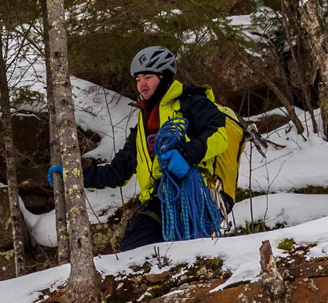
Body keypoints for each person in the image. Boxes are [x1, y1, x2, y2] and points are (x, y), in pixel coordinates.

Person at [48, 46, 232, 251]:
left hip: (197, 195)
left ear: (164, 77)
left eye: (148, 77)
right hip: (160, 200)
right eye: (138, 79)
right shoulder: (142, 127)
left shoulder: (192, 103)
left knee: (166, 252)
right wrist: (73, 176)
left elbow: (219, 136)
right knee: (134, 249)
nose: (141, 84)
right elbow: (117, 173)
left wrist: (187, 155)